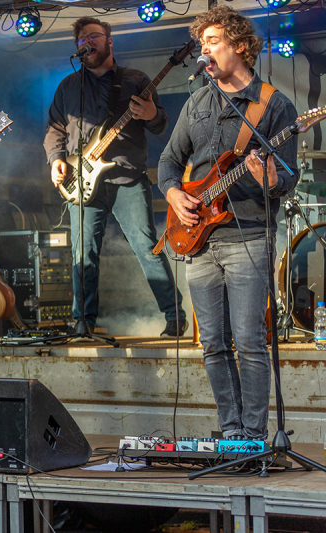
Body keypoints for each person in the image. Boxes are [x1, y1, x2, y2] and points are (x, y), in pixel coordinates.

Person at [158, 6, 298, 440]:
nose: (204, 49)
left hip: (249, 236)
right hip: (198, 240)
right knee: (214, 344)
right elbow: (168, 161)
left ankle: (254, 436)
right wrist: (175, 195)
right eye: (202, 43)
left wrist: (269, 175)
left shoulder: (273, 105)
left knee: (250, 342)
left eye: (213, 41)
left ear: (240, 46)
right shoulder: (197, 100)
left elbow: (287, 181)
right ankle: (230, 431)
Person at [43, 16, 187, 337]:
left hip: (128, 179)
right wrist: (56, 159)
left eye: (93, 37)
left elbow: (162, 125)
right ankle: (83, 322)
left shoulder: (135, 79)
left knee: (147, 246)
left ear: (110, 41)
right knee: (83, 254)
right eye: (81, 40)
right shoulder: (69, 86)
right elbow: (55, 128)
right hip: (82, 181)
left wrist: (151, 114)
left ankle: (174, 316)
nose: (87, 44)